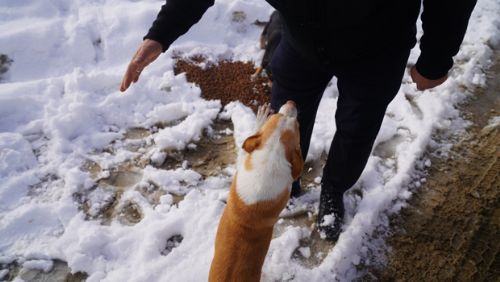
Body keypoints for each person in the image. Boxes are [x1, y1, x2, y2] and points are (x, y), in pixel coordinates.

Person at [120, 0, 477, 241]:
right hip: (302, 39)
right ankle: (289, 181)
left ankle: (334, 190)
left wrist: (436, 58)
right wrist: (161, 33)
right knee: (287, 118)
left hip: (377, 47)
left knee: (356, 129)